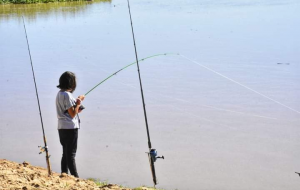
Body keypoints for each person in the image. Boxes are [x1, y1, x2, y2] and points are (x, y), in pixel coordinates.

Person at [56, 71, 85, 178]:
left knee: (65, 153)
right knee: (71, 154)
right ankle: (75, 177)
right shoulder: (68, 95)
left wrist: (77, 107)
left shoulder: (60, 94)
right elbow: (72, 114)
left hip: (61, 127)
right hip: (70, 128)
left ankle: (64, 174)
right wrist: (78, 103)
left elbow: (71, 111)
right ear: (72, 83)